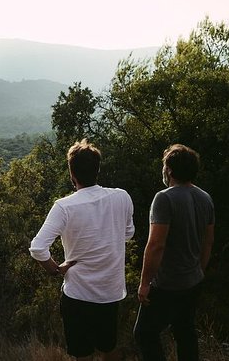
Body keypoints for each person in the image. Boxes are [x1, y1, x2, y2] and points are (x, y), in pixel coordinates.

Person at [29, 139, 135, 361]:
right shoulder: (121, 197)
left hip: (78, 293)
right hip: (110, 291)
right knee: (109, 348)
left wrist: (56, 270)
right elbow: (128, 234)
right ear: (97, 169)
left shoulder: (64, 206)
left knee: (82, 354)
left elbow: (38, 248)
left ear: (72, 175)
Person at [134, 144, 215, 361]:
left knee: (144, 333)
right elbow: (208, 242)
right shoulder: (205, 198)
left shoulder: (164, 198)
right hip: (193, 281)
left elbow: (156, 245)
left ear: (169, 170)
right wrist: (199, 271)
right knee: (185, 332)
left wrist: (144, 283)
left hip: (167, 284)